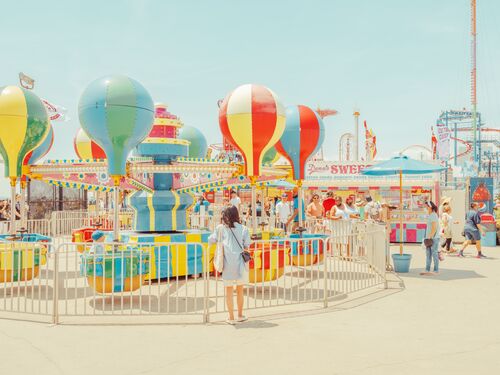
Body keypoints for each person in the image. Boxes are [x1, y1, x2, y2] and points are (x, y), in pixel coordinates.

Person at [209, 206, 250, 325]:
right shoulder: (244, 228)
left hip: (226, 264)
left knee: (228, 291)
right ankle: (240, 315)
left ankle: (231, 317)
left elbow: (211, 239)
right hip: (240, 265)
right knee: (240, 290)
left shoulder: (220, 228)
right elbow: (247, 245)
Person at [420, 201, 440, 276]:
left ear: (430, 207)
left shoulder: (433, 215)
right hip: (429, 238)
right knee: (428, 254)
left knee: (434, 253)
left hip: (433, 238)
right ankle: (427, 269)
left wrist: (430, 237)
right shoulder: (430, 215)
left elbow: (434, 228)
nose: (425, 208)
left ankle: (436, 270)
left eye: (426, 207)